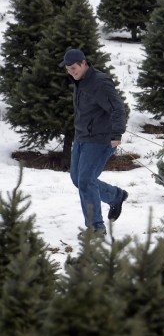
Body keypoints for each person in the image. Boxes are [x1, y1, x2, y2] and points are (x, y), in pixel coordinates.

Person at [60, 48, 128, 236]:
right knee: (77, 179)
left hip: (101, 139)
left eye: (73, 68)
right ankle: (116, 196)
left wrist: (116, 135)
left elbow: (118, 109)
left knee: (86, 181)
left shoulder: (99, 82)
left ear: (83, 63)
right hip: (82, 137)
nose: (71, 72)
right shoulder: (80, 81)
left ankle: (96, 227)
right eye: (68, 69)